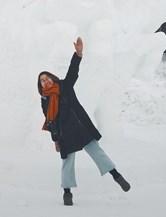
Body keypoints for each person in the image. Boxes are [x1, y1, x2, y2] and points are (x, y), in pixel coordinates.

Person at [37, 36, 130, 206]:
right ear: (41, 86)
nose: (46, 81)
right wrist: (56, 140)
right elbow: (50, 122)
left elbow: (73, 71)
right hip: (65, 134)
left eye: (47, 77)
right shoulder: (45, 101)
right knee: (67, 162)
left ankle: (116, 175)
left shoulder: (65, 86)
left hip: (80, 127)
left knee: (97, 152)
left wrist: (78, 55)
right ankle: (67, 192)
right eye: (42, 80)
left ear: (52, 77)